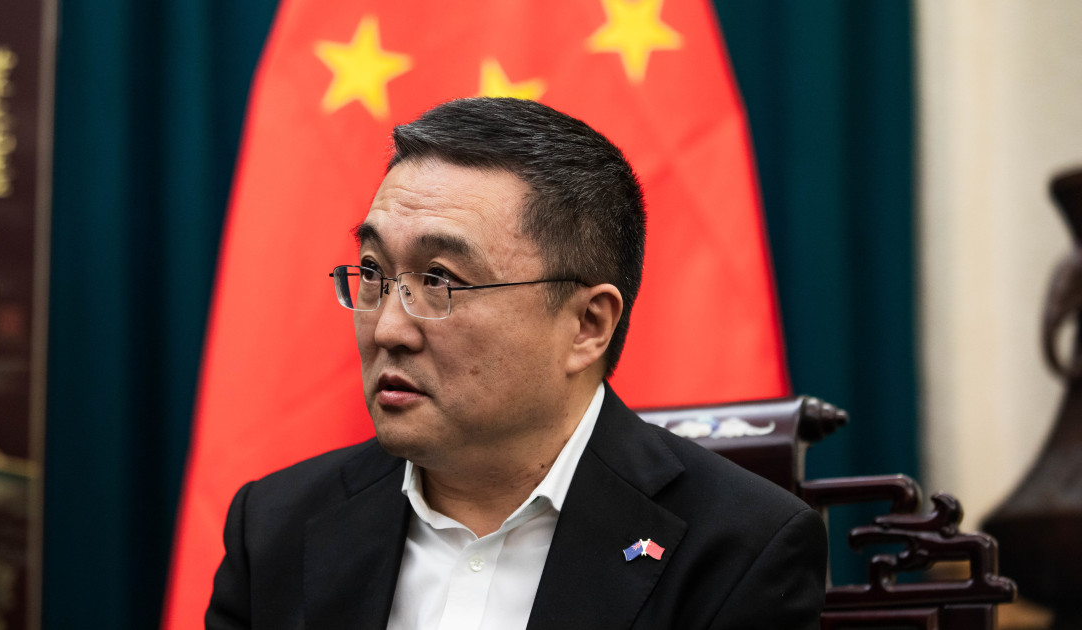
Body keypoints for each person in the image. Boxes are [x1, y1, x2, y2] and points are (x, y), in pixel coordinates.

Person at [206, 97, 827, 629]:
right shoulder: (275, 527)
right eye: (373, 272)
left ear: (587, 326)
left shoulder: (740, 548)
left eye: (440, 281)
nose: (389, 328)